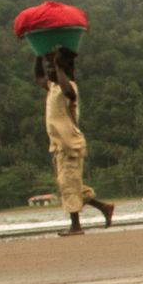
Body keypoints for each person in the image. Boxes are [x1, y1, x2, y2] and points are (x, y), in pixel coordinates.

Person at [33, 48, 114, 236]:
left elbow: (68, 91)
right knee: (69, 184)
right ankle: (104, 207)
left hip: (70, 145)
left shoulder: (69, 86)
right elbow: (38, 78)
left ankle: (76, 227)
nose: (49, 70)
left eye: (53, 67)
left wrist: (59, 67)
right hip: (60, 146)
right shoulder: (52, 87)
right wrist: (39, 53)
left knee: (68, 184)